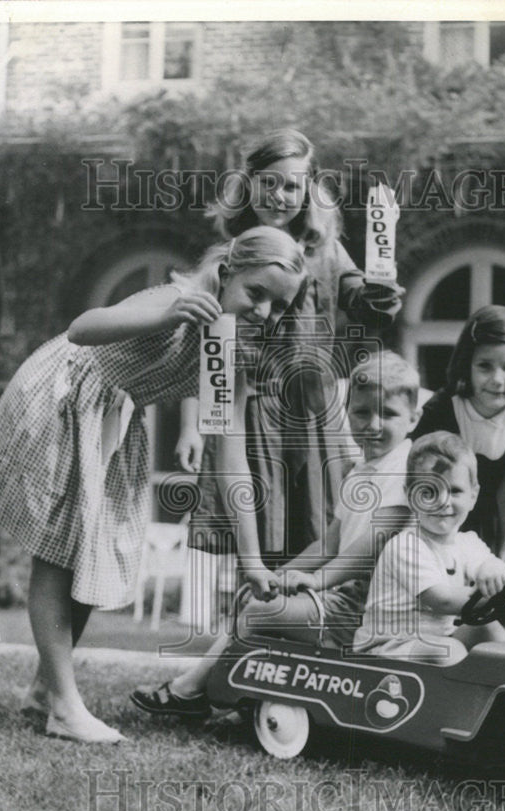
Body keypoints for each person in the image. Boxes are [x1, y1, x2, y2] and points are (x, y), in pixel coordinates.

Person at [0, 226, 306, 742]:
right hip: (70, 396)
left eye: (278, 307)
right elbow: (82, 328)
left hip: (116, 419)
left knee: (93, 553)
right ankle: (63, 704)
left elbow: (232, 458)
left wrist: (253, 561)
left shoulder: (231, 355)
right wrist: (167, 314)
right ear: (228, 271)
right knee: (61, 553)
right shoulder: (177, 298)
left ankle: (45, 693)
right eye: (255, 294)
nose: (264, 312)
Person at [130, 351, 421, 717]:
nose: (373, 424)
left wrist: (316, 581)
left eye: (389, 414)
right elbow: (331, 540)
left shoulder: (407, 471)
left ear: (414, 418)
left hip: (369, 613)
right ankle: (235, 693)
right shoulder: (361, 471)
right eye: (362, 412)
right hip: (344, 600)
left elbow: (374, 544)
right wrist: (280, 575)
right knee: (253, 599)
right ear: (347, 414)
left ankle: (195, 691)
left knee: (258, 614)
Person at [176, 127, 403, 562]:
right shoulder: (234, 257)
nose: (280, 196)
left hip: (314, 415)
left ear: (308, 192)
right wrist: (191, 424)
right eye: (269, 183)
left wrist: (380, 284)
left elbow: (364, 303)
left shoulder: (326, 252)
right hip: (254, 416)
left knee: (319, 536)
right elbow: (206, 350)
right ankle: (257, 622)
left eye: (292, 186)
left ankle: (305, 626)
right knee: (260, 540)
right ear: (249, 185)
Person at [353, 432, 505, 664]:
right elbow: (442, 601)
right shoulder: (407, 546)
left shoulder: (467, 542)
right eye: (429, 492)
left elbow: (488, 564)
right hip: (387, 646)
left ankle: (501, 697)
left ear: (473, 496)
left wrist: (495, 570)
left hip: (435, 639)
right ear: (409, 495)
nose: (443, 501)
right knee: (450, 651)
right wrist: (495, 598)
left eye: (455, 490)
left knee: (492, 634)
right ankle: (460, 699)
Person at [412, 305, 505, 569]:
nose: (497, 380)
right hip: (448, 505)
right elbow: (422, 484)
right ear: (467, 365)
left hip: (504, 514)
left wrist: (500, 560)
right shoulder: (441, 411)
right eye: (485, 366)